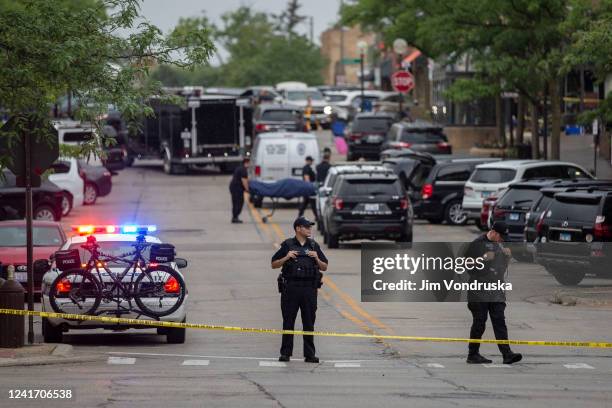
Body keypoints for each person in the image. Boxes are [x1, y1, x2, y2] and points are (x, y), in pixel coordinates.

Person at [463, 221, 522, 365]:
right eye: (500, 236)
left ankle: (507, 354)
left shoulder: (500, 245)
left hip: (496, 288)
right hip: (479, 289)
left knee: (499, 321)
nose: (502, 240)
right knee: (479, 322)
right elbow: (465, 264)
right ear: (494, 232)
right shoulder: (478, 243)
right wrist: (483, 258)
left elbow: (502, 267)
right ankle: (473, 354)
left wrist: (507, 257)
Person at [271, 217, 328, 363]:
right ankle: (285, 353)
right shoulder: (288, 245)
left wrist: (316, 258)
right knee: (288, 321)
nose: (310, 229)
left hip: (309, 289)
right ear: (298, 228)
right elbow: (274, 264)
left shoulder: (314, 245)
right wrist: (286, 257)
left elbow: (324, 267)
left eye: (310, 227)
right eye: (307, 227)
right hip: (291, 288)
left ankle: (309, 354)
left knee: (309, 322)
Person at [229, 158, 250, 223]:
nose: (249, 164)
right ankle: (235, 217)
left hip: (233, 187)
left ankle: (234, 217)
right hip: (237, 188)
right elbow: (244, 181)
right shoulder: (244, 170)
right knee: (239, 202)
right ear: (246, 163)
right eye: (249, 163)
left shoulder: (239, 168)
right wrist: (247, 189)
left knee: (235, 202)